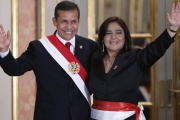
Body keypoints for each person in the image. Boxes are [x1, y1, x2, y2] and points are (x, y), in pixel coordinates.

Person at [0, 1, 98, 120]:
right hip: (49, 116)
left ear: (79, 21)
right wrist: (4, 50)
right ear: (54, 21)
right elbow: (14, 69)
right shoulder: (39, 48)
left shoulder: (90, 47)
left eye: (73, 21)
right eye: (64, 21)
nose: (69, 27)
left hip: (82, 116)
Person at [89, 2, 180, 120]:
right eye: (108, 33)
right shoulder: (94, 60)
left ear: (125, 38)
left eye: (118, 32)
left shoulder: (135, 58)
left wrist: (172, 29)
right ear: (102, 38)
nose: (113, 37)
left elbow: (155, 49)